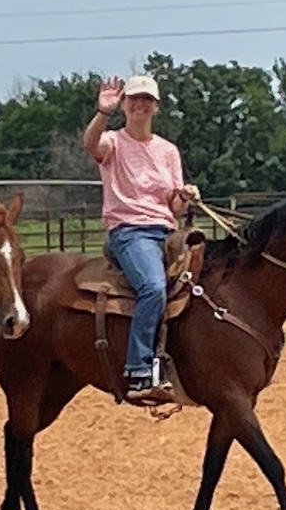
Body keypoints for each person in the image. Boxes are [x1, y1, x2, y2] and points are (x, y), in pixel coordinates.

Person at [83, 73, 199, 404]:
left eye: (146, 99)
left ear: (156, 107)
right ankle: (138, 369)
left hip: (165, 230)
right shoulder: (113, 142)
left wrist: (186, 196)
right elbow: (91, 144)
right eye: (134, 98)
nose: (140, 104)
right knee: (152, 287)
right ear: (124, 104)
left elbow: (173, 206)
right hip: (130, 231)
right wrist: (102, 112)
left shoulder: (168, 151)